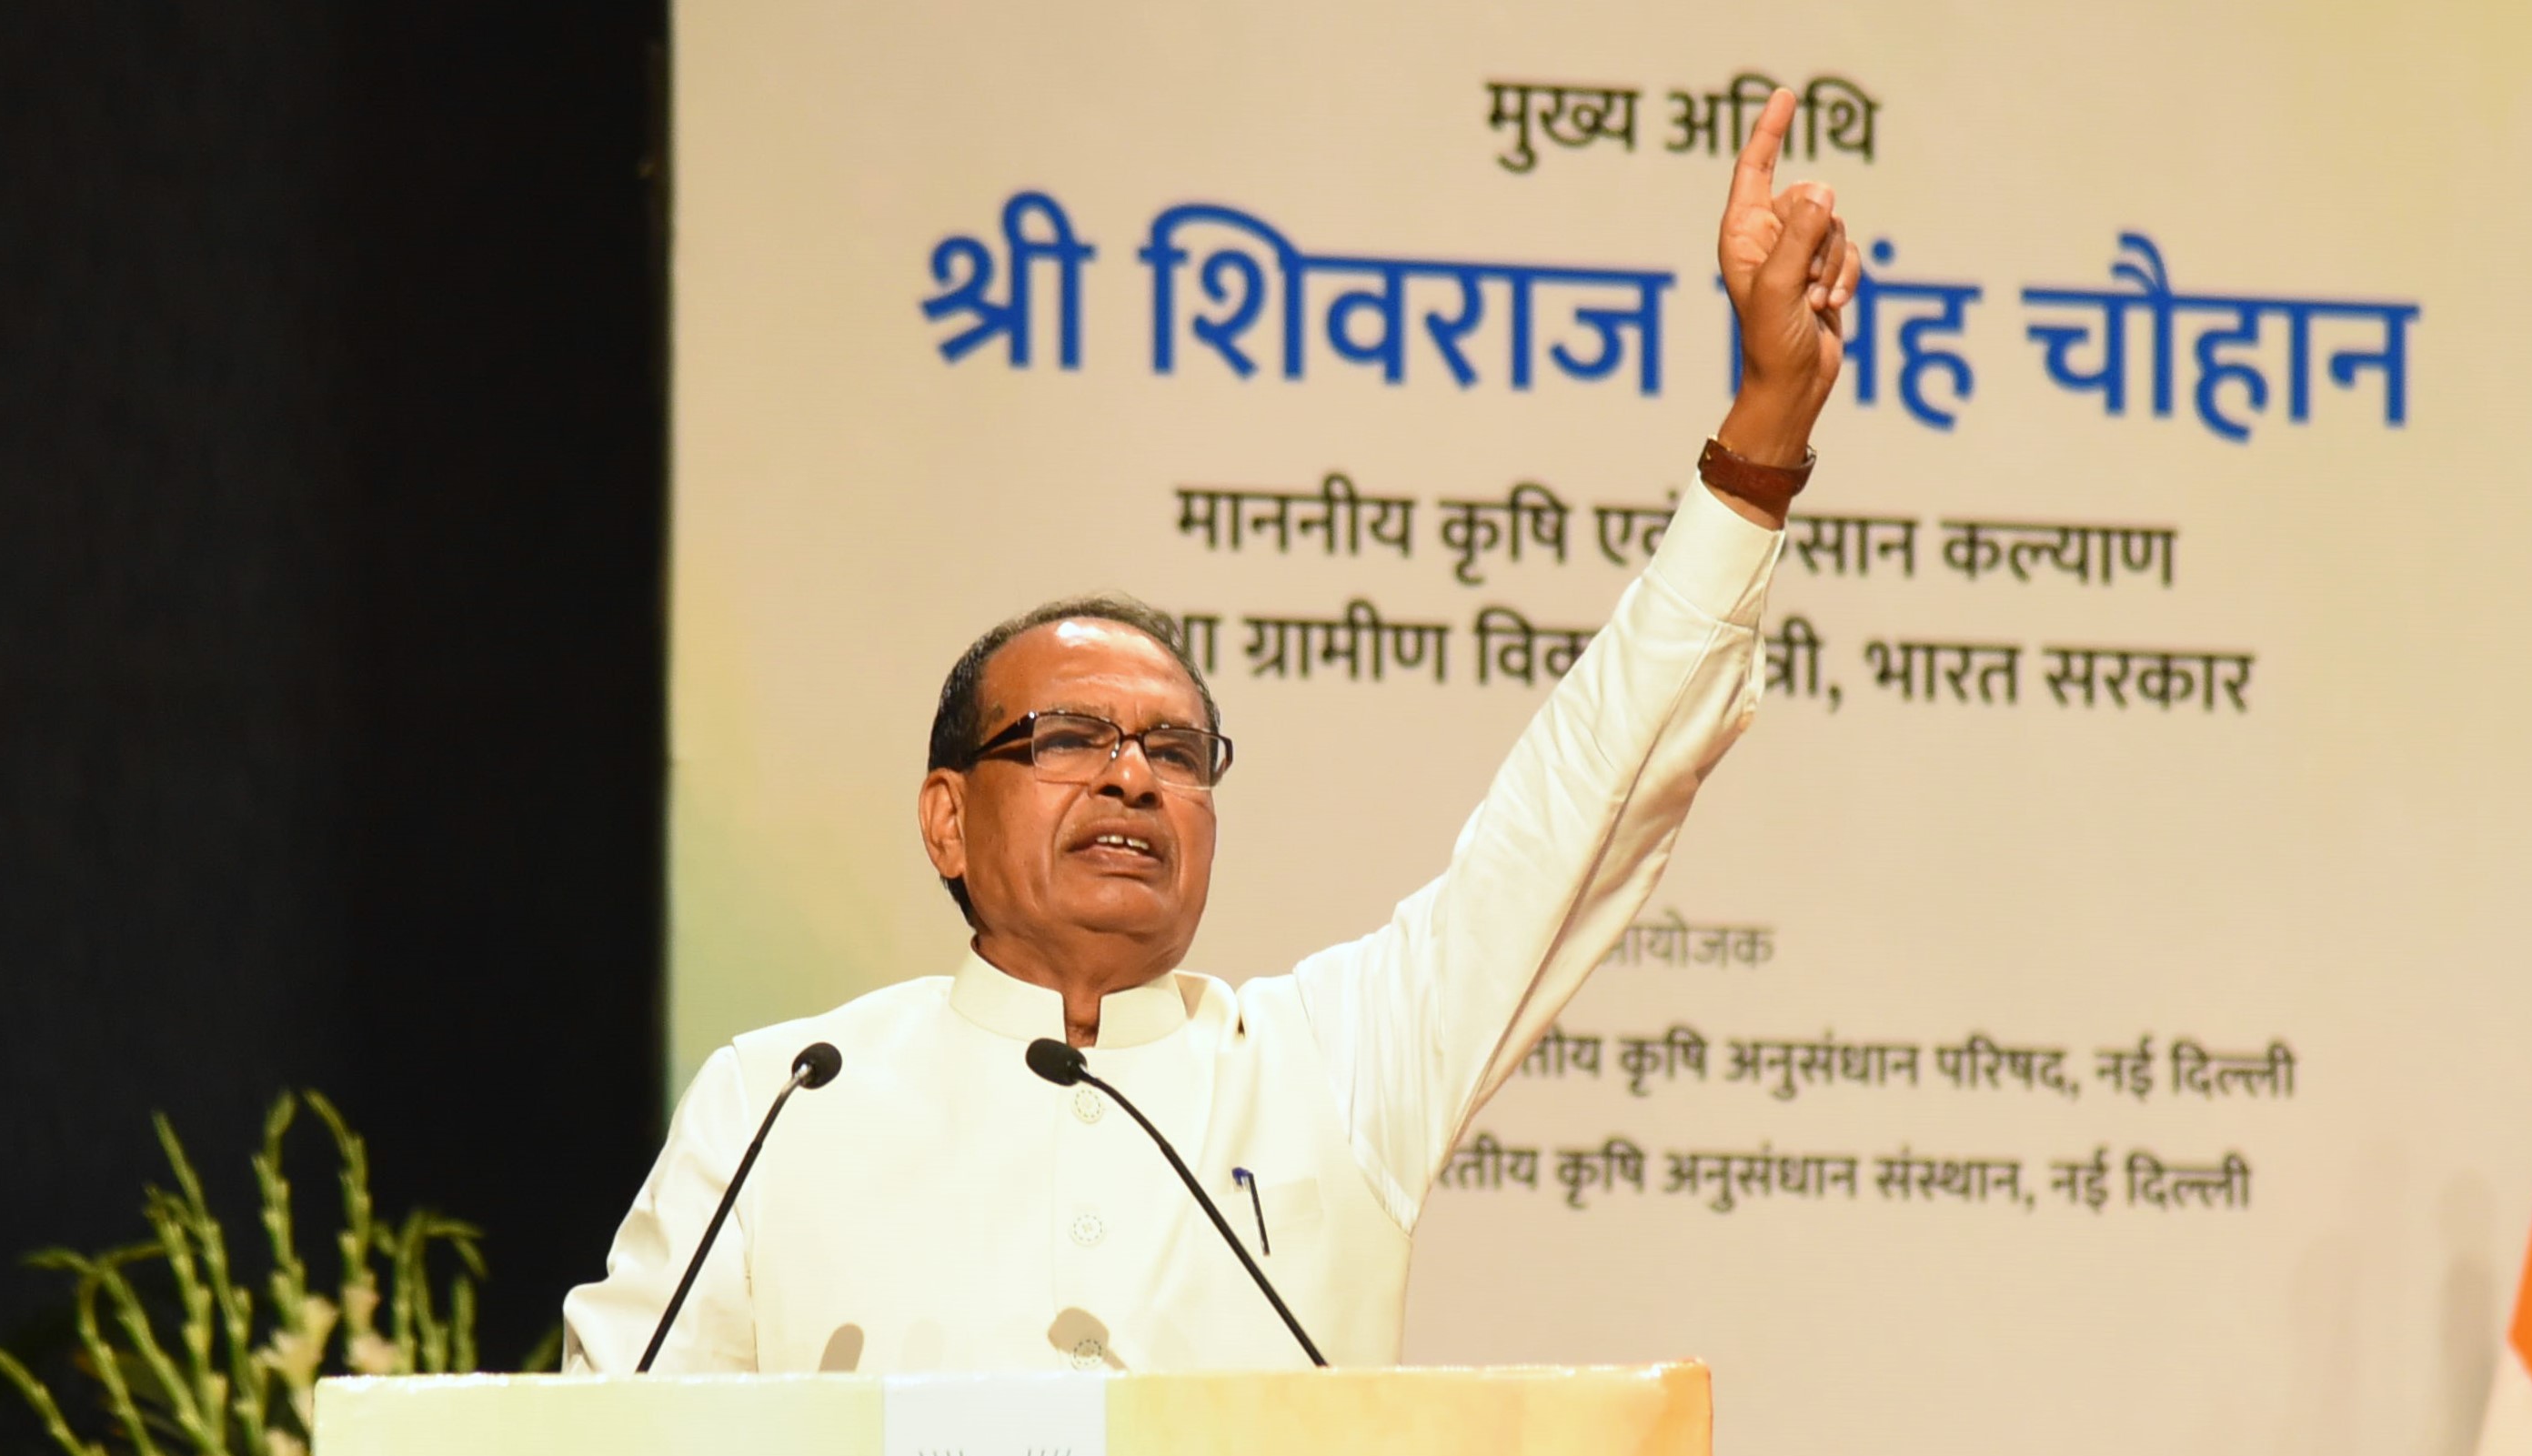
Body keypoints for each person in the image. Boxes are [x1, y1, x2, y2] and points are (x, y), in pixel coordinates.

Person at [563, 94, 1856, 1377]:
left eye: (1176, 753)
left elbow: (1585, 801)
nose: (1133, 776)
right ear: (946, 818)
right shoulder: (790, 1098)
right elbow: (602, 1446)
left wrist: (1765, 430)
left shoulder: (1325, 1072)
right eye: (1069, 739)